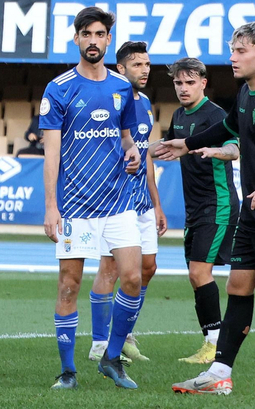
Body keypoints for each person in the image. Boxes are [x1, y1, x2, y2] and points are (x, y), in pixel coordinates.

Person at [164, 22, 255, 398]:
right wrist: (186, 142)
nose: (232, 56)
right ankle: (219, 373)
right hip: (252, 212)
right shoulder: (245, 92)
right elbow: (228, 127)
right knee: (238, 285)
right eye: (232, 48)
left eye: (240, 50)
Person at [43, 6, 144, 391]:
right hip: (75, 207)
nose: (93, 40)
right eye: (86, 34)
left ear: (108, 40)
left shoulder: (122, 87)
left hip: (118, 203)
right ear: (76, 38)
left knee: (132, 278)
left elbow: (126, 139)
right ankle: (68, 371)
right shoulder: (60, 88)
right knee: (69, 284)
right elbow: (52, 154)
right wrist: (51, 206)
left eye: (100, 34)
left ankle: (112, 357)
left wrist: (132, 152)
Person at [87, 41, 165, 367]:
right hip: (115, 199)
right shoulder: (107, 100)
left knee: (148, 268)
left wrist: (157, 203)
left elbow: (145, 154)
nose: (144, 70)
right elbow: (93, 149)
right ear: (121, 68)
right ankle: (98, 342)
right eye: (137, 65)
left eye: (147, 64)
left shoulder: (145, 102)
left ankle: (125, 332)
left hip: (142, 201)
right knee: (110, 268)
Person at [157, 57, 238, 364]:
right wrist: (136, 151)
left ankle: (214, 345)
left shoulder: (216, 115)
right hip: (195, 208)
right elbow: (166, 148)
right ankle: (211, 341)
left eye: (190, 82)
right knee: (196, 276)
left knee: (198, 272)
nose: (183, 88)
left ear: (203, 83)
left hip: (217, 205)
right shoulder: (178, 115)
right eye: (178, 83)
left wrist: (216, 150)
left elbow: (234, 148)